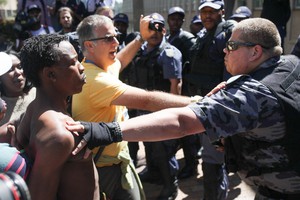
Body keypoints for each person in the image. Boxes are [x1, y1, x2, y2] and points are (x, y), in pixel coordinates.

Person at [69, 17, 300, 200]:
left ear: (256, 52)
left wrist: (105, 132)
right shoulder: (290, 64)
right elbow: (120, 61)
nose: (224, 51)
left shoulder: (252, 93)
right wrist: (140, 38)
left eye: (231, 45)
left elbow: (182, 122)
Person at [73, 14, 193, 200]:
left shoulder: (100, 65)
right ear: (89, 45)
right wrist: (196, 102)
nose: (116, 42)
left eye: (116, 36)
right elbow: (147, 100)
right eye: (108, 38)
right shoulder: (95, 80)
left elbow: (120, 60)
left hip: (117, 162)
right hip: (104, 170)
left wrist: (140, 38)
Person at [16, 34, 101, 200]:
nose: (81, 67)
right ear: (51, 75)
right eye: (72, 63)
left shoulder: (34, 110)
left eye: (79, 60)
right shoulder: (59, 134)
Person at [128, 12, 182, 199]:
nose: (154, 32)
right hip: (142, 108)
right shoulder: (141, 51)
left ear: (164, 30)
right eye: (150, 27)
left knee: (163, 150)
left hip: (161, 110)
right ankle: (153, 173)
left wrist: (175, 113)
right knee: (149, 145)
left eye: (159, 27)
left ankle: (170, 185)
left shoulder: (169, 53)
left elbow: (176, 85)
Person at [186, 0, 236, 198]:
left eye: (212, 12)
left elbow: (231, 73)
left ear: (222, 12)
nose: (207, 16)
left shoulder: (227, 33)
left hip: (216, 107)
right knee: (212, 158)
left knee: (212, 159)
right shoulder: (204, 35)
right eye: (204, 11)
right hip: (202, 104)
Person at [166, 6, 201, 180]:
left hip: (184, 89)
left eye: (179, 19)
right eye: (173, 18)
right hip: (172, 89)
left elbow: (194, 62)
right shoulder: (168, 37)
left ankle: (192, 165)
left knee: (187, 132)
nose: (176, 21)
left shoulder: (187, 38)